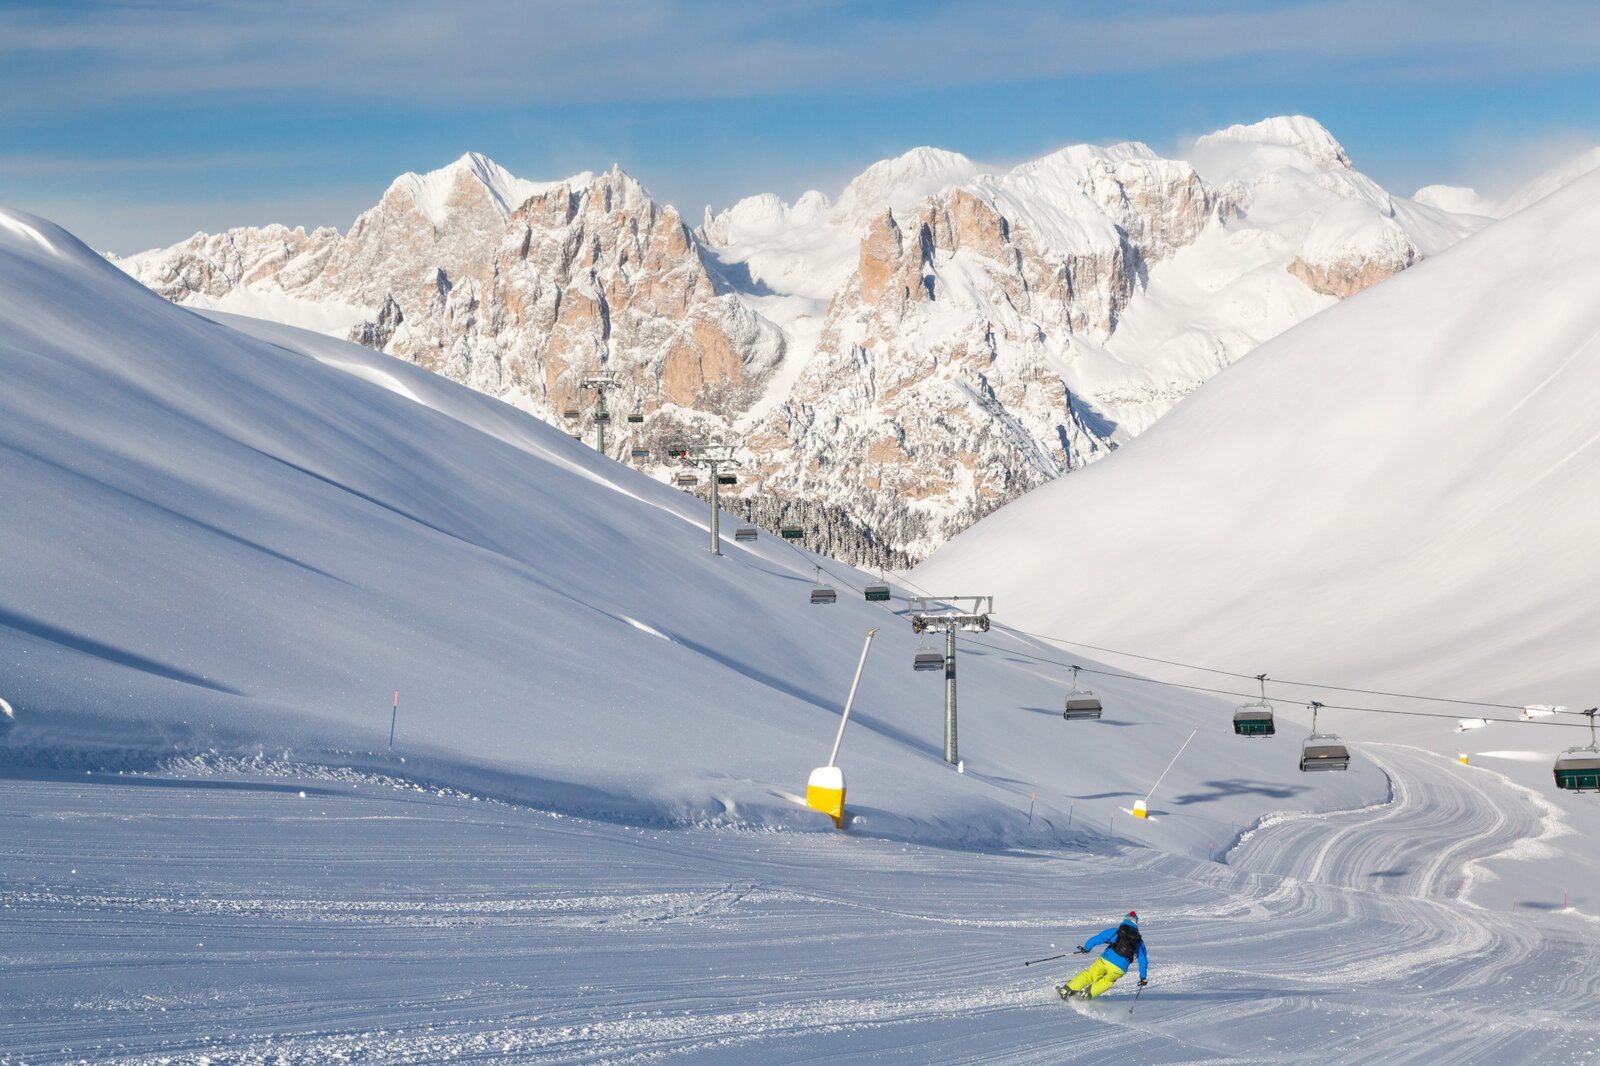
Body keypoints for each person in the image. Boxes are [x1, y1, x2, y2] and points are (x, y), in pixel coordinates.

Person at [1058, 911, 1148, 999]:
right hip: (1119, 968)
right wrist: (1143, 977)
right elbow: (1143, 959)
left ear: (1125, 920)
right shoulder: (1138, 940)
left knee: (1090, 974)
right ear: (1136, 923)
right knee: (1107, 981)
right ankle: (1087, 994)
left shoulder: (1116, 931)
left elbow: (1098, 938)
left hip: (1106, 960)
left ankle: (1066, 990)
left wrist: (1086, 949)